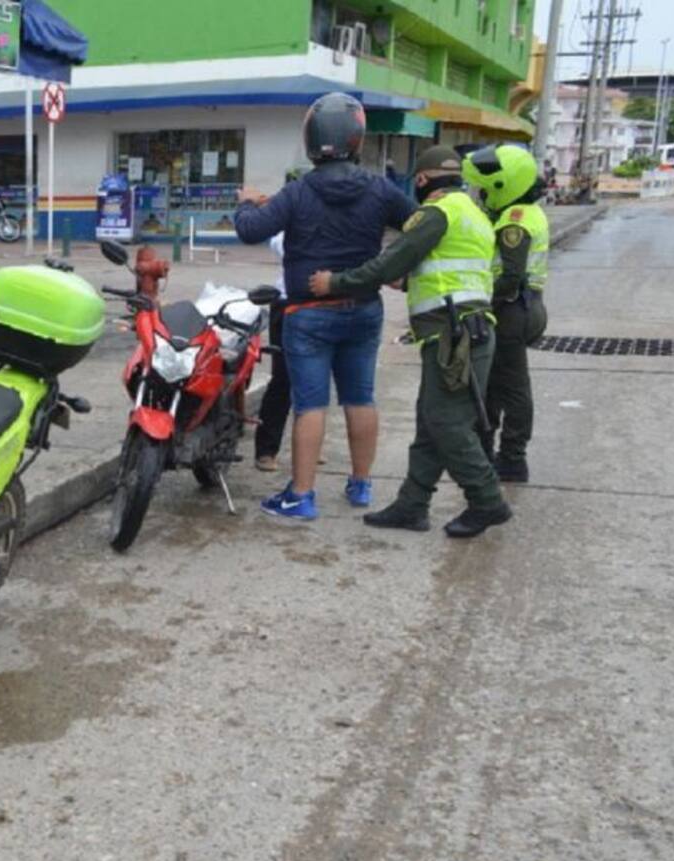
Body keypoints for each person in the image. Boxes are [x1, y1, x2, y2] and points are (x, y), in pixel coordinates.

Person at [308, 146, 511, 538]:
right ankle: (412, 504)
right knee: (429, 422)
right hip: (467, 329)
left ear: (421, 180)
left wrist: (334, 282)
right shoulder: (474, 213)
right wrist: (410, 280)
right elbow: (450, 273)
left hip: (455, 335)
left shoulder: (435, 213)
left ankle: (486, 499)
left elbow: (390, 262)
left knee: (446, 422)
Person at [235, 92, 417, 521]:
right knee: (360, 397)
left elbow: (250, 229)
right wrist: (390, 270)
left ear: (311, 138)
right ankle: (361, 484)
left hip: (308, 315)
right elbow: (421, 225)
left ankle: (301, 495)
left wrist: (246, 200)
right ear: (357, 137)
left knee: (311, 404)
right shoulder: (379, 189)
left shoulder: (298, 192)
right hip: (364, 309)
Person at [462, 144, 550, 482]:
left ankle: (512, 457)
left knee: (512, 386)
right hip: (524, 307)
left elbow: (510, 276)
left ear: (505, 185)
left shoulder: (516, 220)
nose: (480, 193)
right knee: (495, 384)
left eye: (485, 187)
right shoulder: (523, 213)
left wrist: (479, 301)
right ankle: (489, 450)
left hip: (514, 310)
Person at [253, 232, 292, 472]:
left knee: (316, 381)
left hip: (328, 304)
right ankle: (266, 450)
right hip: (288, 302)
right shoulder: (297, 202)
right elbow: (279, 243)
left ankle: (310, 443)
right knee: (283, 379)